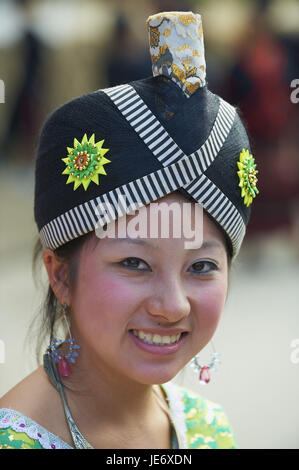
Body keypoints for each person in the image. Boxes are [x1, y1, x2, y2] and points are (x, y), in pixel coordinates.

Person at [0, 11, 258, 449]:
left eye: (201, 266)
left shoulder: (209, 429)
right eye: (135, 262)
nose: (172, 307)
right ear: (61, 274)